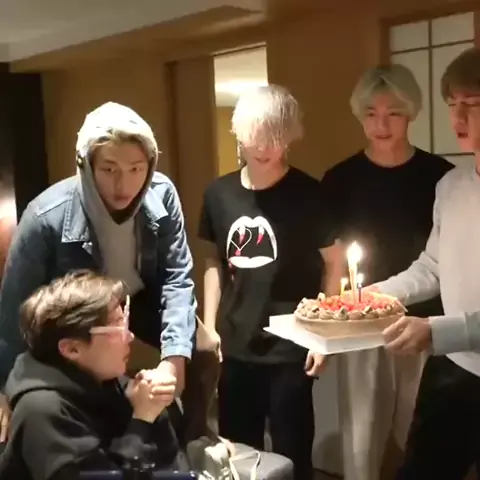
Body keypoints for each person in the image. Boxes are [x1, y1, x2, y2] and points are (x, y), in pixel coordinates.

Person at [0, 102, 196, 441]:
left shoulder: (162, 194)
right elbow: (12, 312)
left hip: (139, 298)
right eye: (109, 169)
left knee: (202, 348)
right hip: (81, 317)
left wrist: (174, 356)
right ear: (86, 165)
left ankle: (193, 441)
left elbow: (177, 277)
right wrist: (6, 389)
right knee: (96, 381)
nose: (124, 184)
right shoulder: (45, 216)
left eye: (136, 169)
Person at [198, 84, 343, 480]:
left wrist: (324, 335)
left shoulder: (310, 194)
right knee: (236, 451)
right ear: (239, 132)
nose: (265, 147)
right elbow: (213, 262)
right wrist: (209, 327)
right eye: (256, 136)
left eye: (277, 137)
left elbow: (334, 262)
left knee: (292, 451)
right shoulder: (218, 194)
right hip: (235, 341)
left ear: (291, 136)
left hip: (291, 342)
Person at [320, 64, 453, 480]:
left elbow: (442, 262)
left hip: (424, 321)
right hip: (361, 323)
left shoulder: (441, 178)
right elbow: (334, 260)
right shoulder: (339, 179)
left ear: (411, 113)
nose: (381, 124)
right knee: (361, 434)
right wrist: (330, 322)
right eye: (371, 113)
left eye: (393, 113)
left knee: (418, 431)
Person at [370, 47, 480, 479]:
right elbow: (432, 266)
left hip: (447, 341)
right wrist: (374, 295)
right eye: (452, 104)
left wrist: (436, 331)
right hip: (453, 364)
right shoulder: (451, 185)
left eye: (472, 104)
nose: (458, 117)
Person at [0, 270, 189, 480]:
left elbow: (173, 468)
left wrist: (154, 408)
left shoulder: (108, 380)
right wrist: (142, 419)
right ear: (72, 349)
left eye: (124, 321)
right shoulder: (41, 412)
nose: (130, 336)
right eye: (116, 327)